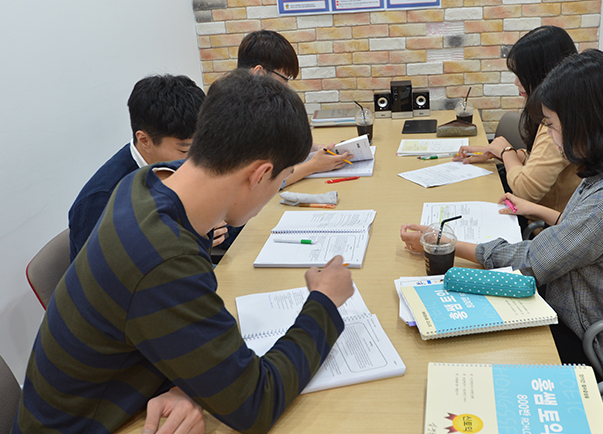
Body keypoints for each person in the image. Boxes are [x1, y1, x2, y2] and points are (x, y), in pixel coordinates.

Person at [14, 70, 354, 433]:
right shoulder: (163, 256)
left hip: (119, 395)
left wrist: (190, 384)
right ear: (259, 175)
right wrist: (324, 302)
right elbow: (256, 401)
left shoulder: (143, 183)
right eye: (279, 180)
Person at [402, 50, 603, 380]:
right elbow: (584, 234)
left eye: (553, 125)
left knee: (470, 352)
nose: (552, 137)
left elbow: (533, 261)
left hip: (598, 340)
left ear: (587, 123)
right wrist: (539, 210)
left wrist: (446, 244)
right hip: (582, 309)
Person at [66, 74, 234, 262]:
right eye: (185, 149)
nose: (197, 158)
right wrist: (193, 238)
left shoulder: (178, 167)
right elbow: (113, 273)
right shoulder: (101, 200)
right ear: (145, 140)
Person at [454, 26, 581, 217]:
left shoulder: (559, 124)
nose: (516, 82)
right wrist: (497, 152)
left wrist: (506, 152)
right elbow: (538, 159)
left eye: (521, 75)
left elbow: (525, 191)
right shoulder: (561, 111)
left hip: (543, 226)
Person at [236, 30, 351, 186]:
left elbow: (277, 147)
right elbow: (262, 184)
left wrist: (315, 148)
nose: (286, 86)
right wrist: (312, 166)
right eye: (284, 78)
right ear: (260, 73)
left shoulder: (260, 105)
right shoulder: (236, 116)